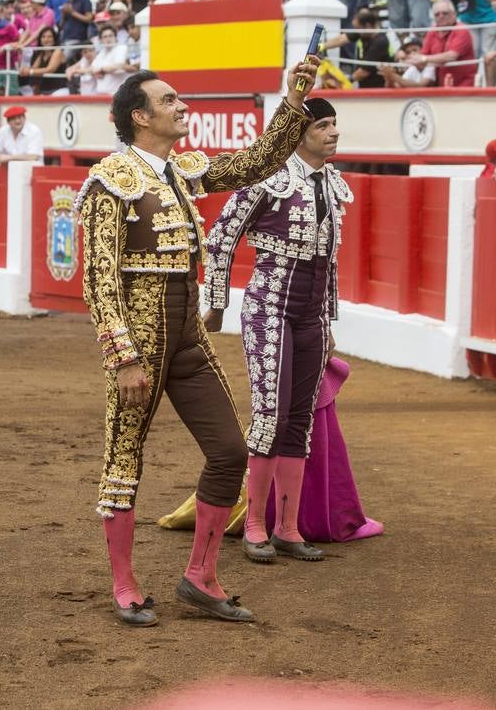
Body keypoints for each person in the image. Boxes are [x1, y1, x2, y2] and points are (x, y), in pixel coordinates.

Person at [76, 56, 319, 626]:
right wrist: (124, 356)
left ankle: (201, 576)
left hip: (186, 337)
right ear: (139, 117)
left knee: (230, 451)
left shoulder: (180, 171)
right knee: (123, 461)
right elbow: (99, 277)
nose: (181, 107)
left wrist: (293, 100)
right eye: (169, 101)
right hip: (140, 343)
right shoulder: (112, 180)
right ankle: (124, 585)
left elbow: (256, 161)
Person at [202, 96, 351, 563]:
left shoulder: (332, 183)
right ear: (299, 133)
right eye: (323, 125)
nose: (333, 132)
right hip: (269, 308)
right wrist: (216, 304)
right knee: (271, 416)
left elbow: (329, 262)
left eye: (334, 124)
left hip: (309, 315)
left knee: (299, 421)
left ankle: (287, 528)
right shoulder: (268, 177)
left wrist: (328, 321)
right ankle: (254, 525)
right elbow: (220, 238)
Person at [413, 0, 476, 87]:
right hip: (440, 86)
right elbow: (423, 55)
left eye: (445, 13)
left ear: (454, 14)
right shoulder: (432, 31)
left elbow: (451, 56)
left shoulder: (461, 29)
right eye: (437, 14)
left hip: (463, 86)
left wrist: (424, 59)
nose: (441, 16)